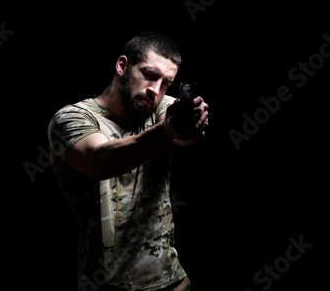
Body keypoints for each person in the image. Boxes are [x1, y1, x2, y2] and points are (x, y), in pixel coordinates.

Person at [48, 32, 209, 291]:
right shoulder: (73, 118)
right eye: (149, 74)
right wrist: (167, 131)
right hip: (107, 282)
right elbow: (100, 161)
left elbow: (183, 132)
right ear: (123, 66)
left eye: (166, 83)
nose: (155, 90)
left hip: (172, 280)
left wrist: (192, 125)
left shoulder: (157, 108)